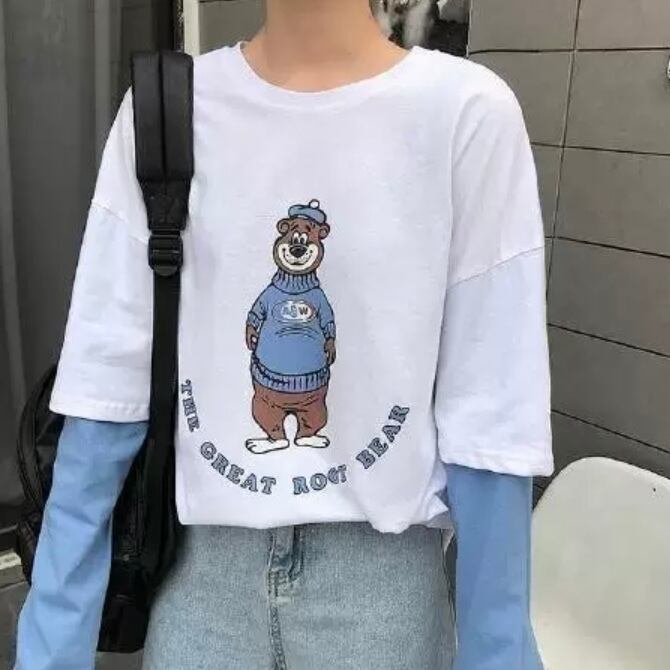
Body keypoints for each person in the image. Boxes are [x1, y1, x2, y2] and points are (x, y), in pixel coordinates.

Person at [14, 1, 553, 668]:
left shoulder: (465, 114)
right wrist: (52, 645)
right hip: (201, 581)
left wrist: (498, 652)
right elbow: (107, 385)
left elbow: (491, 413)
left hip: (382, 596)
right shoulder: (168, 109)